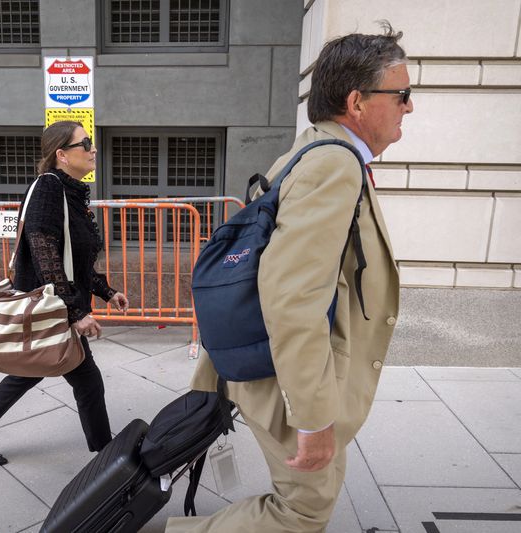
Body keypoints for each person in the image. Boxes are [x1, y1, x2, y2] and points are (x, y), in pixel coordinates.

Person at [167, 23, 410, 532]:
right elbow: (293, 296)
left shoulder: (311, 150)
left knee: (312, 499)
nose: (409, 107)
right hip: (285, 379)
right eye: (402, 95)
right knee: (300, 513)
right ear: (357, 102)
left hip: (274, 367)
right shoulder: (332, 167)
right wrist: (314, 417)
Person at [0, 121, 129, 467]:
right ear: (61, 155)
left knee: (35, 368)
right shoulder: (50, 190)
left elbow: (73, 262)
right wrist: (76, 312)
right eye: (86, 143)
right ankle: (107, 459)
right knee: (86, 380)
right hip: (52, 305)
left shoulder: (70, 193)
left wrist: (106, 291)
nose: (94, 148)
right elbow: (44, 252)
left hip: (54, 303)